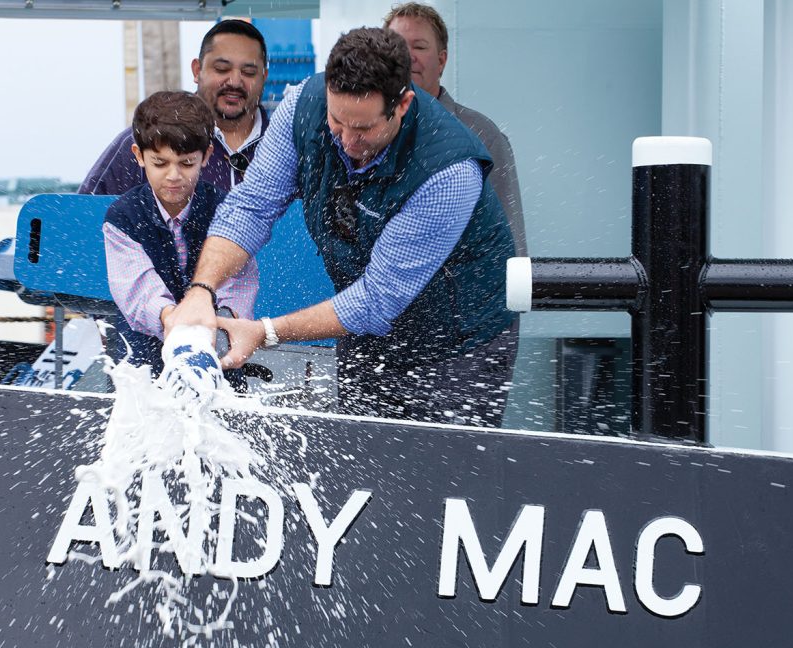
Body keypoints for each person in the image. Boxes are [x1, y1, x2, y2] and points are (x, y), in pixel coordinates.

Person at [165, 28, 519, 428]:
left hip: (458, 343)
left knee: (443, 475)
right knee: (360, 455)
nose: (348, 141)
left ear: (402, 104)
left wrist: (264, 332)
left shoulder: (448, 171)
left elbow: (376, 301)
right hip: (366, 329)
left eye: (364, 129)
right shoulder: (302, 104)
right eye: (337, 121)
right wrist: (201, 290)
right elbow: (252, 206)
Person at [81, 19, 270, 320]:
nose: (234, 81)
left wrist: (225, 318)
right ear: (197, 70)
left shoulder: (289, 147)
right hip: (149, 331)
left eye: (248, 72)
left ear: (264, 76)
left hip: (255, 331)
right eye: (221, 69)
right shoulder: (140, 141)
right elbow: (88, 222)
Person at [101, 90, 233, 377]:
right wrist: (171, 319)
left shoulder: (227, 212)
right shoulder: (122, 217)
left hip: (215, 344)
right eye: (160, 163)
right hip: (140, 357)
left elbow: (237, 282)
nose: (173, 175)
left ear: (206, 155)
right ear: (138, 155)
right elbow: (138, 291)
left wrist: (221, 319)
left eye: (186, 163)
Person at [384, 2, 527, 258]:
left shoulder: (482, 135)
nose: (408, 56)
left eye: (419, 46)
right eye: (398, 46)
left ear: (442, 60)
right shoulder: (369, 134)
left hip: (462, 293)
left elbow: (510, 237)